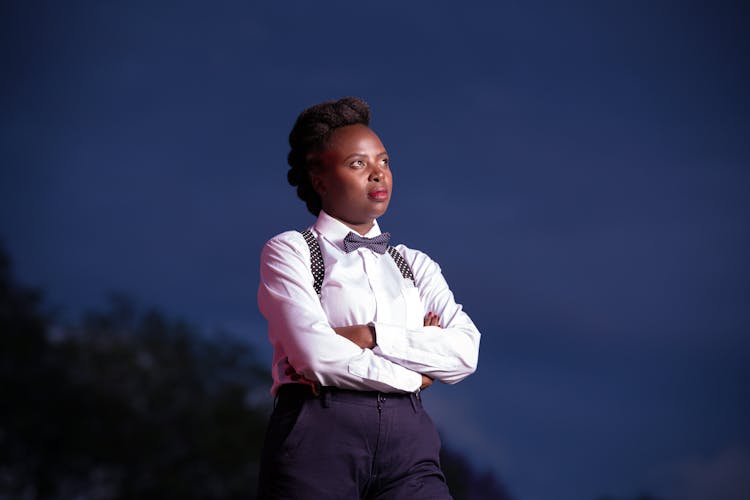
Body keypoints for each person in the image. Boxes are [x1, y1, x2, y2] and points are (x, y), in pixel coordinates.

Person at [257, 96, 481, 499]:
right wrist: (417, 372)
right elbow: (315, 355)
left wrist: (371, 335)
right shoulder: (291, 251)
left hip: (408, 442)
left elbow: (465, 351)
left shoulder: (416, 264)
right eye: (358, 164)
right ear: (320, 179)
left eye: (384, 162)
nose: (378, 175)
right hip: (318, 433)